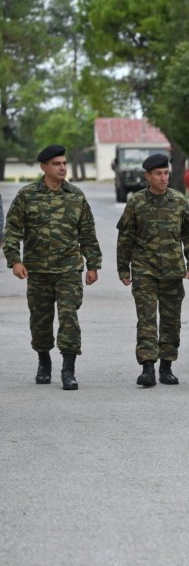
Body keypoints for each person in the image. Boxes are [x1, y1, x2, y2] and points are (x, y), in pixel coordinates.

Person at [3, 144, 102, 390]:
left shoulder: (76, 196)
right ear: (44, 167)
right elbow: (12, 232)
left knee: (69, 317)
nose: (62, 167)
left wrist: (93, 265)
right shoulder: (27, 195)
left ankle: (68, 370)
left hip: (69, 269)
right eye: (57, 164)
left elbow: (87, 233)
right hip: (37, 271)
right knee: (40, 320)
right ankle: (43, 361)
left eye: (64, 163)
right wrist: (15, 260)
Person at [116, 154, 189, 387]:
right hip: (145, 270)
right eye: (158, 174)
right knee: (147, 319)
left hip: (173, 271)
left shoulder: (179, 201)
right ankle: (147, 368)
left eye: (166, 173)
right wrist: (123, 268)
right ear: (148, 176)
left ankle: (166, 367)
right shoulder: (136, 202)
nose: (163, 178)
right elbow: (125, 237)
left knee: (171, 321)